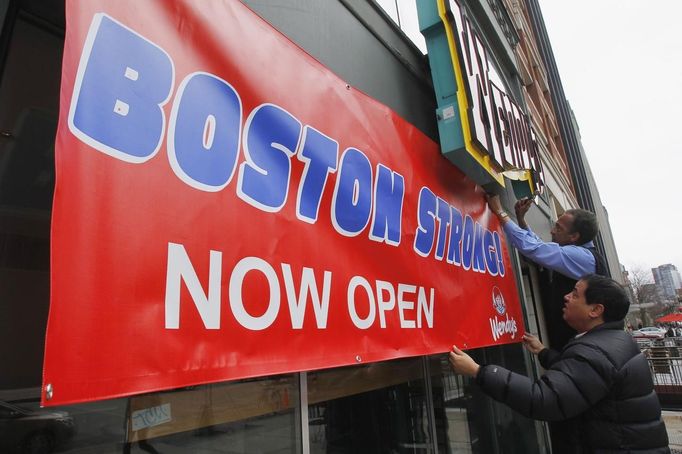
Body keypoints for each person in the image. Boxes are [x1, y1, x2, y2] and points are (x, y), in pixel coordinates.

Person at [449, 275, 669, 453]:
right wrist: (544, 352)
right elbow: (581, 380)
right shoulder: (614, 341)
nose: (566, 297)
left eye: (575, 294)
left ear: (595, 310)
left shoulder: (596, 352)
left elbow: (545, 399)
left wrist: (479, 371)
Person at [487, 194, 607, 350]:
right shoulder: (580, 252)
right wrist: (521, 220)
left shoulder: (582, 257)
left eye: (558, 228)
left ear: (574, 236)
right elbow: (540, 247)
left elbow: (536, 249)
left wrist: (500, 212)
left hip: (581, 344)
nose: (552, 231)